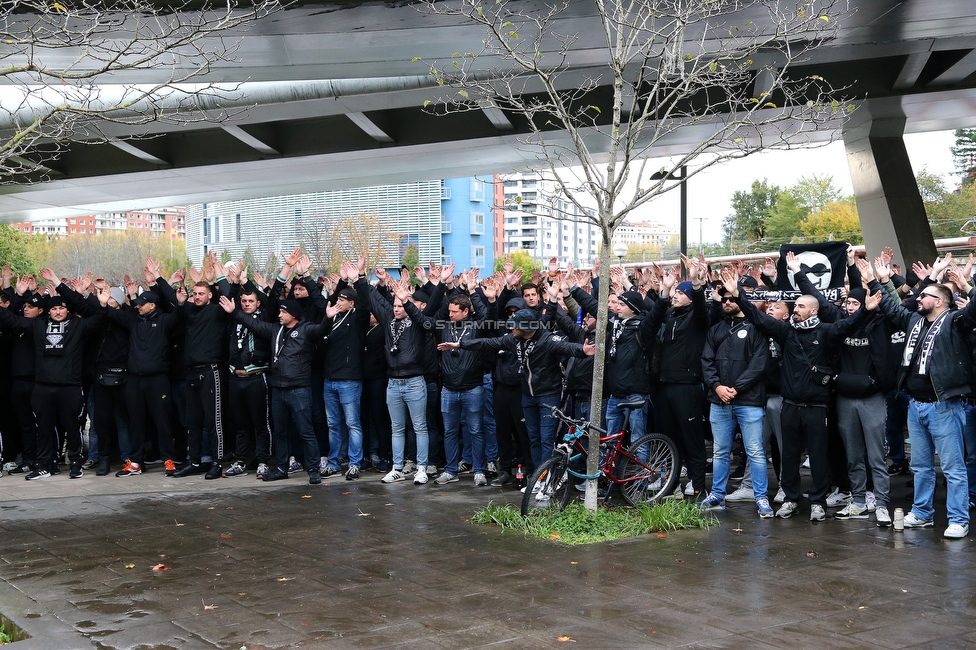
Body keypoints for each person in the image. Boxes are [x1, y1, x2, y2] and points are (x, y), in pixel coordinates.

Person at [725, 268, 880, 522]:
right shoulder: (787, 332)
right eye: (794, 305)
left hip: (817, 407)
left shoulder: (827, 333)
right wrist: (739, 296)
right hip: (790, 405)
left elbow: (849, 324)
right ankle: (790, 499)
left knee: (818, 456)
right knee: (789, 456)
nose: (795, 309)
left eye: (800, 306)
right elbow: (758, 318)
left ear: (814, 310)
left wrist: (866, 309)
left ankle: (817, 502)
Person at [868, 254, 976, 539]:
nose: (918, 297)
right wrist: (880, 280)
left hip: (944, 405)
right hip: (916, 406)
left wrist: (966, 286)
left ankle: (958, 519)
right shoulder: (915, 321)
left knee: (952, 467)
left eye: (925, 295)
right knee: (921, 466)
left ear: (939, 301)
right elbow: (891, 308)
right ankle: (923, 513)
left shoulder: (956, 322)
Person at [218, 260, 333, 485]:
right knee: (280, 431)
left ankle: (313, 469)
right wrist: (234, 313)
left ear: (294, 314)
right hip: (278, 389)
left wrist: (328, 318)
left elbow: (321, 331)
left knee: (306, 431)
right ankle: (280, 467)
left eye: (283, 311)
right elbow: (253, 325)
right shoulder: (274, 330)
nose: (279, 314)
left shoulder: (306, 329)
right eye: (279, 311)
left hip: (299, 389)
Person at [442, 308, 595, 471]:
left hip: (548, 397)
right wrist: (460, 344)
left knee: (546, 439)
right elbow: (487, 343)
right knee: (533, 438)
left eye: (515, 326)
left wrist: (583, 351)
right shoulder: (513, 340)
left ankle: (546, 479)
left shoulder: (547, 340)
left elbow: (567, 346)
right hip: (527, 396)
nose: (511, 328)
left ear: (527, 327)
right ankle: (538, 477)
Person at [0, 271, 109, 480]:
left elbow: (98, 321)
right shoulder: (38, 325)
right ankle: (44, 465)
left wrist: (102, 305)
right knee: (44, 427)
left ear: (68, 310)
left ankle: (76, 463)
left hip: (69, 386)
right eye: (54, 308)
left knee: (71, 427)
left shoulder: (78, 326)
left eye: (62, 308)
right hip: (42, 387)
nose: (58, 311)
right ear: (47, 311)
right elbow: (12, 320)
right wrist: (14, 296)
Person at [700, 281, 772, 518]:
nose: (727, 302)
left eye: (731, 298)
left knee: (755, 451)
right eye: (723, 300)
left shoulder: (756, 327)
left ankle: (760, 497)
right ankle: (717, 495)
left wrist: (735, 389)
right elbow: (706, 361)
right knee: (720, 451)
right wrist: (718, 387)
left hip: (749, 400)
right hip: (718, 399)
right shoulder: (715, 330)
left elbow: (759, 365)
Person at [367, 268, 446, 485]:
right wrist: (359, 279)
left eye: (401, 305)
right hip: (393, 383)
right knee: (397, 428)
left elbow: (432, 307)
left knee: (420, 427)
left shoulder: (418, 324)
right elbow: (374, 300)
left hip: (415, 383)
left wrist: (440, 283)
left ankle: (421, 467)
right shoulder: (388, 321)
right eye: (395, 305)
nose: (396, 308)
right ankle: (397, 468)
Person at [319, 258, 371, 480]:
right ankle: (333, 462)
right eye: (338, 298)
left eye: (345, 299)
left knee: (352, 423)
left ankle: (354, 463)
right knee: (332, 424)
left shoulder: (358, 319)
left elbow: (366, 304)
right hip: (329, 379)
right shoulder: (331, 318)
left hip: (349, 379)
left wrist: (358, 278)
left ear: (352, 304)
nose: (340, 301)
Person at [223, 269, 274, 479]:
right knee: (240, 424)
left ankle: (263, 461)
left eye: (250, 301)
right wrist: (236, 283)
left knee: (260, 423)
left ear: (257, 303)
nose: (246, 304)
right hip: (236, 377)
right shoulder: (232, 318)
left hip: (256, 377)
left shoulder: (264, 317)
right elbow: (229, 298)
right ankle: (240, 461)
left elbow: (270, 302)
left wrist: (248, 282)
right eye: (243, 301)